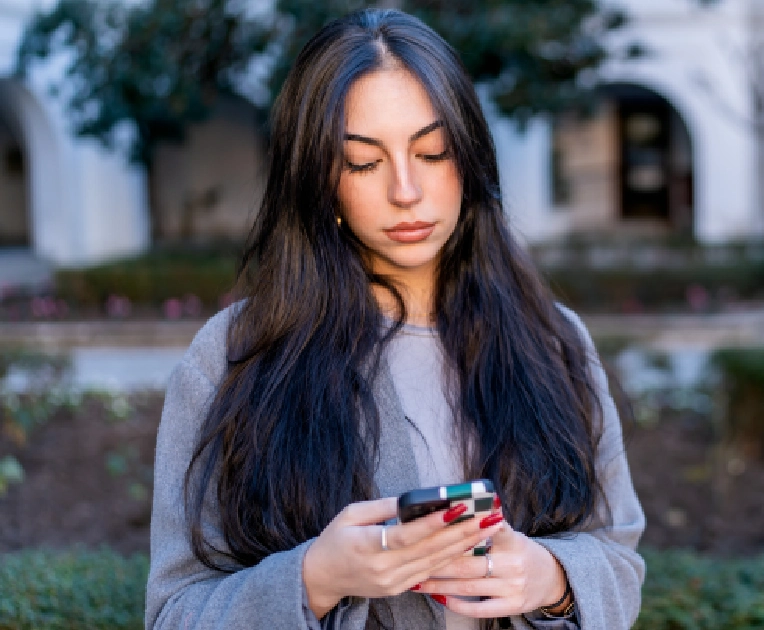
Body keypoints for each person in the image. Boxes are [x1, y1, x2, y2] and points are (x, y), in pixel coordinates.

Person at [144, 9, 645, 630]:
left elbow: (619, 559)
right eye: (363, 162)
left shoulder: (553, 340)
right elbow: (174, 613)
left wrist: (551, 578)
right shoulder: (233, 357)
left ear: (469, 157)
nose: (406, 190)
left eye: (432, 152)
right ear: (319, 181)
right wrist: (316, 580)